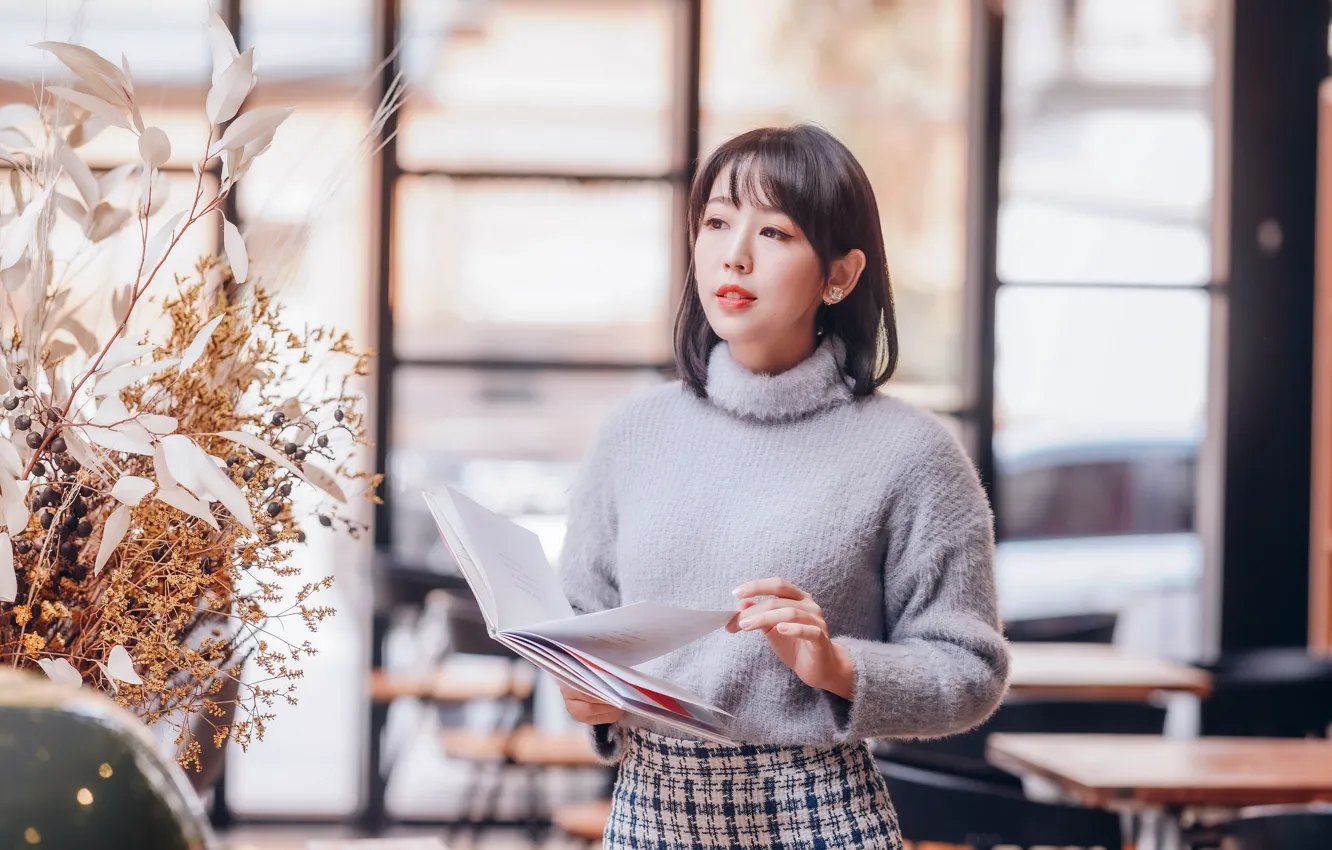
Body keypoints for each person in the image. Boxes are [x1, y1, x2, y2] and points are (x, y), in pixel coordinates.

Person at [557, 124, 1009, 849]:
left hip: (820, 815)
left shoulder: (913, 453)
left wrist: (837, 666)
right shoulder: (631, 436)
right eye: (716, 221)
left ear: (840, 274)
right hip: (651, 812)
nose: (734, 253)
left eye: (774, 230)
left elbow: (971, 671)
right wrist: (584, 697)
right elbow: (578, 627)